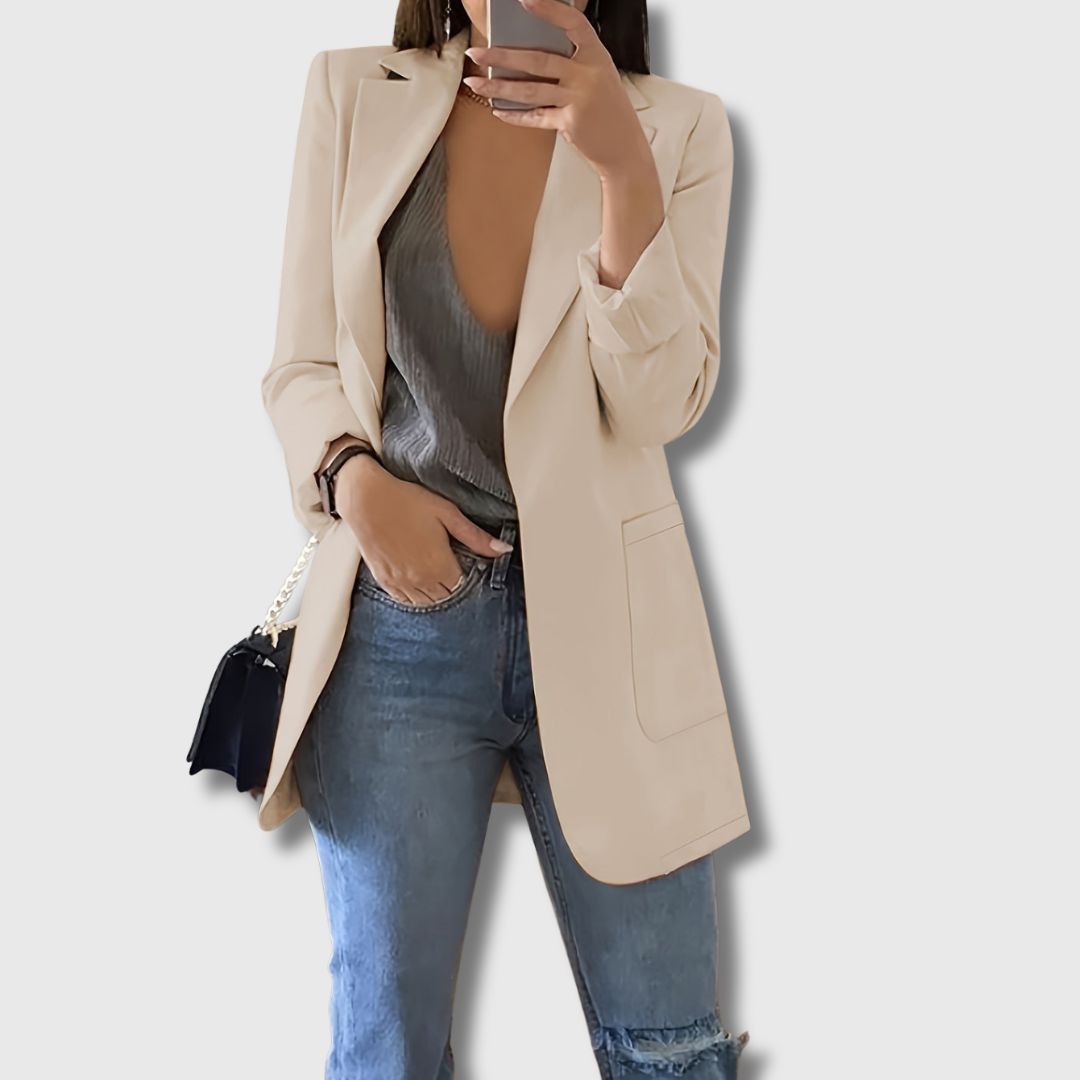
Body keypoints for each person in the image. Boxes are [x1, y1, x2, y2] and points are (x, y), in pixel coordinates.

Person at [259, 0, 752, 1075]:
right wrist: (354, 483)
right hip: (399, 621)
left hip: (610, 629)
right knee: (385, 1054)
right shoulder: (352, 94)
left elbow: (661, 404)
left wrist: (622, 171)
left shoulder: (679, 127)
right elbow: (300, 366)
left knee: (671, 1049)